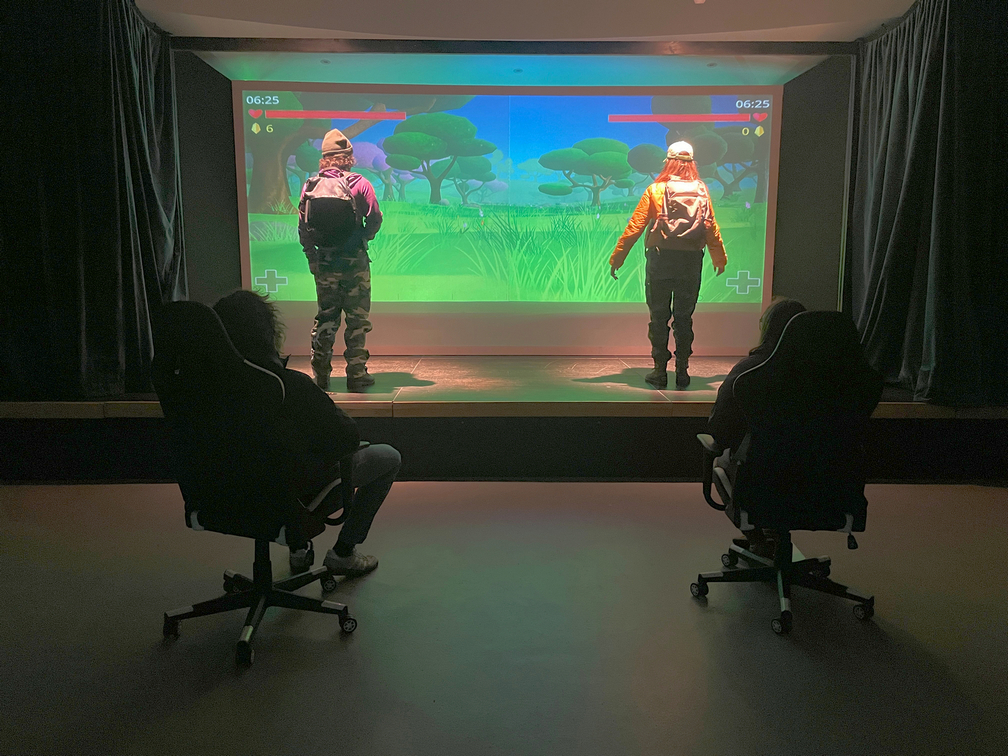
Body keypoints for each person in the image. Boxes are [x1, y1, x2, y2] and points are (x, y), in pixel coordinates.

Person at [212, 289, 401, 578]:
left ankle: (299, 549)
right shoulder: (289, 386)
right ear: (268, 332)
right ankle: (343, 553)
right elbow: (347, 438)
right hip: (289, 495)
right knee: (388, 457)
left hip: (222, 493)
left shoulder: (201, 391)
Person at [609, 141, 727, 390]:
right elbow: (710, 226)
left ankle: (660, 371)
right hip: (691, 261)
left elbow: (635, 226)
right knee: (684, 317)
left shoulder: (656, 189)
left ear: (668, 162)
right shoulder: (701, 189)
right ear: (692, 163)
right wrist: (719, 258)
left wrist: (617, 258)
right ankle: (682, 371)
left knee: (659, 317)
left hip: (660, 260)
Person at [707, 297, 807, 556]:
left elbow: (719, 428)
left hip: (760, 478)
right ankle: (776, 534)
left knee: (721, 464)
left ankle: (758, 540)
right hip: (823, 480)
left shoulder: (749, 371)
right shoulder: (834, 376)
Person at [298, 128, 383, 393]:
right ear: (348, 157)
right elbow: (375, 217)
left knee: (326, 318)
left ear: (325, 157)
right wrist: (364, 237)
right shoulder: (360, 183)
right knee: (357, 320)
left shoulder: (310, 186)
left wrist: (312, 257)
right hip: (355, 261)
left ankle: (321, 376)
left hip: (325, 262)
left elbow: (303, 227)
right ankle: (356, 375)